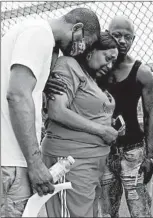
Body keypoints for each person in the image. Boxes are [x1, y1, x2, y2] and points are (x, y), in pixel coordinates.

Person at [1, 8, 100, 217]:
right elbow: (17, 96)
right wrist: (35, 163)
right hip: (11, 161)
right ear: (77, 28)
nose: (81, 50)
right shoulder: (40, 34)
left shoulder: (27, 33)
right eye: (85, 42)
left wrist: (42, 81)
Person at [41, 31, 119, 217]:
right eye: (107, 58)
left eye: (113, 62)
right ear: (90, 50)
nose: (109, 66)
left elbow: (82, 110)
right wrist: (101, 130)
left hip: (90, 163)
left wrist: (109, 124)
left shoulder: (90, 77)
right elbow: (57, 110)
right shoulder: (68, 65)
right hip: (71, 162)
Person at [99, 16, 153, 217]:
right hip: (104, 151)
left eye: (127, 37)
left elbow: (150, 114)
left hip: (133, 152)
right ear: (107, 34)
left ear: (133, 39)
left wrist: (150, 156)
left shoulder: (142, 72)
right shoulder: (96, 68)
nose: (122, 41)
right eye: (117, 35)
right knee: (107, 213)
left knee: (140, 212)